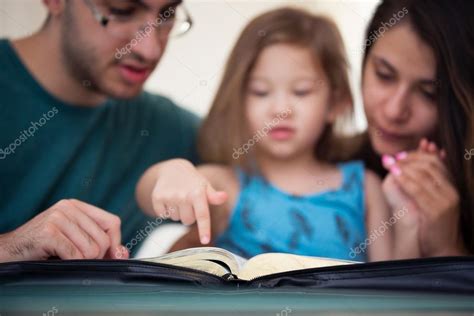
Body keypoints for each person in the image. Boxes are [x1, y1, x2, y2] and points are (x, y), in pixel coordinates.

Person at [136, 8, 393, 261]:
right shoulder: (223, 186)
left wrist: (415, 222)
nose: (280, 110)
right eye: (260, 92)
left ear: (336, 103)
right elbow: (148, 195)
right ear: (239, 102)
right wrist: (172, 172)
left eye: (301, 91)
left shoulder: (365, 187)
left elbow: (391, 283)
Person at [0, 0, 199, 262]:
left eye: (167, 14)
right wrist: (12, 247)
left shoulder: (170, 128)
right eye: (121, 11)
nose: (150, 50)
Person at [350, 0, 473, 258]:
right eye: (384, 75)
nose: (395, 111)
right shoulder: (334, 165)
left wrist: (447, 249)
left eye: (429, 93)